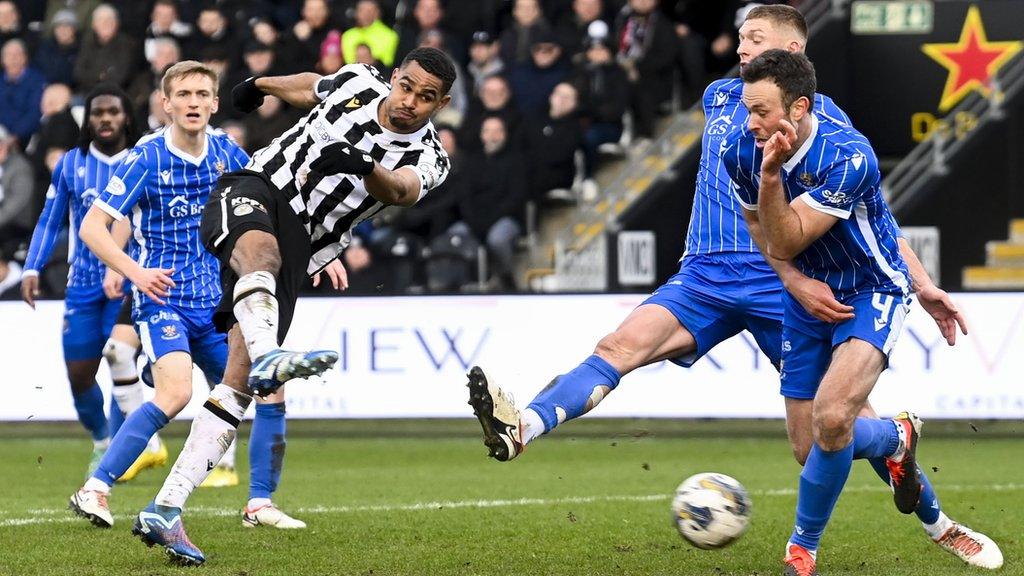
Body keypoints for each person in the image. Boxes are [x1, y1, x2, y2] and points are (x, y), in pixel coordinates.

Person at [465, 4, 1001, 571]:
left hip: (785, 284)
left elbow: (876, 218)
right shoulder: (724, 98)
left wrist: (921, 285)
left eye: (755, 38)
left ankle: (936, 519)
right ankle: (523, 426)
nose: (741, 47)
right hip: (706, 273)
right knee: (618, 348)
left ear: (791, 55)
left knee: (831, 429)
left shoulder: (830, 125)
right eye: (741, 37)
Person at [118, 47, 456, 565]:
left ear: (441, 103)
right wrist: (259, 85)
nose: (409, 101)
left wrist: (366, 168)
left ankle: (166, 508)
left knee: (237, 379)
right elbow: (311, 85)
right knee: (262, 253)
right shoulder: (359, 81)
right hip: (258, 187)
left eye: (425, 97)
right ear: (394, 77)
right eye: (406, 86)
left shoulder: (430, 156)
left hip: (306, 244)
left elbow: (403, 190)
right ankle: (270, 352)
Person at [725, 49, 1002, 575]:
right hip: (806, 297)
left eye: (761, 111)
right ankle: (900, 440)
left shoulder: (847, 155)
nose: (750, 123)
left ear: (799, 107)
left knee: (834, 417)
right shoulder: (742, 152)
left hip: (871, 291)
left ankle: (801, 550)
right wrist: (794, 282)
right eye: (747, 109)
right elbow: (765, 237)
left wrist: (770, 181)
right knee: (813, 450)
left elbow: (789, 235)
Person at [67, 61, 305, 539]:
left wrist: (318, 256)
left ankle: (260, 501)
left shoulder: (227, 152)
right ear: (166, 103)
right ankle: (94, 488)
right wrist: (135, 272)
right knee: (174, 393)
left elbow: (267, 208)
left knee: (269, 389)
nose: (193, 102)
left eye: (202, 94)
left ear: (215, 103)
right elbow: (93, 227)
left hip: (216, 304)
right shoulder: (146, 157)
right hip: (165, 300)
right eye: (184, 95)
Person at [21, 85, 155, 477]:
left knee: (119, 357)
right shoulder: (70, 164)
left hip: (131, 282)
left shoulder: (145, 159)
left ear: (126, 117)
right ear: (88, 119)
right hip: (81, 284)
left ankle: (120, 455)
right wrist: (32, 267)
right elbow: (50, 218)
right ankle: (102, 440)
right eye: (98, 113)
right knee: (79, 374)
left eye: (113, 112)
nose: (106, 119)